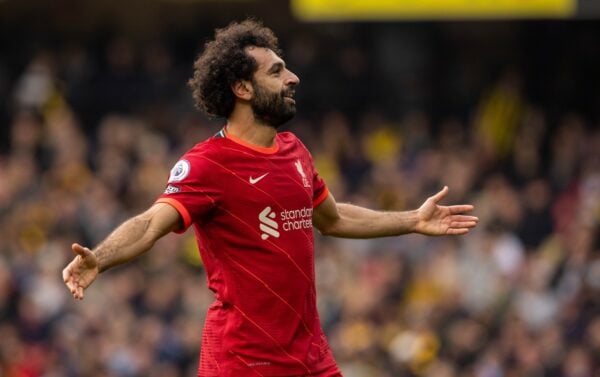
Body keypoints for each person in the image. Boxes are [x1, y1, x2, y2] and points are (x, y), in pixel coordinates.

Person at [62, 19, 479, 377]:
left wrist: (411, 220)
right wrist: (102, 256)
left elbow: (332, 219)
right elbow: (151, 223)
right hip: (243, 361)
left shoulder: (294, 150)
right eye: (277, 71)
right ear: (242, 87)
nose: (293, 77)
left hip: (310, 354)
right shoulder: (208, 163)